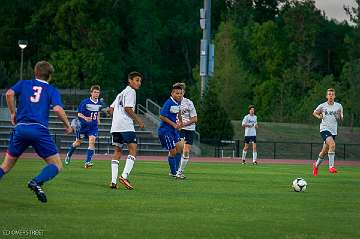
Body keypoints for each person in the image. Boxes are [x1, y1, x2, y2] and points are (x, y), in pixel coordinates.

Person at [0, 61, 73, 203]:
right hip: (39, 130)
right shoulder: (51, 90)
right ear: (50, 76)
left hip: (20, 129)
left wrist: (13, 113)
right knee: (57, 165)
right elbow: (57, 109)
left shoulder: (24, 83)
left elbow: (9, 94)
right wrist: (67, 125)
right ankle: (36, 181)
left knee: (5, 166)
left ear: (35, 72)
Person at [108, 72, 144, 190]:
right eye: (137, 80)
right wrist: (138, 120)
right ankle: (124, 176)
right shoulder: (131, 92)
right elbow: (127, 108)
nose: (139, 83)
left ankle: (113, 181)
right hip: (126, 126)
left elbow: (110, 109)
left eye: (140, 81)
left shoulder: (121, 93)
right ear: (130, 80)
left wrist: (116, 117)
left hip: (116, 127)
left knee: (118, 151)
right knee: (133, 149)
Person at [64, 85, 102, 168]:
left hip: (93, 127)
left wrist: (98, 119)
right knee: (78, 143)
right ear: (91, 93)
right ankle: (68, 155)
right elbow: (79, 114)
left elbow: (98, 111)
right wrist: (85, 118)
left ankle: (87, 162)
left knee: (92, 141)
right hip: (83, 126)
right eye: (95, 92)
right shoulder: (85, 102)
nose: (96, 94)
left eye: (98, 92)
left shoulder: (100, 103)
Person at [312, 88, 343, 176]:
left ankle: (316, 165)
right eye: (329, 94)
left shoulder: (339, 106)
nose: (331, 96)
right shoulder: (322, 106)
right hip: (324, 129)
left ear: (334, 96)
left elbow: (341, 118)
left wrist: (339, 116)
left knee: (324, 152)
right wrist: (319, 116)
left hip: (333, 131)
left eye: (332, 94)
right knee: (332, 144)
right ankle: (331, 167)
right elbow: (314, 113)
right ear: (326, 96)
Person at [158, 84, 183, 178]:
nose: (179, 95)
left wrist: (180, 122)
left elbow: (179, 112)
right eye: (177, 93)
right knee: (173, 152)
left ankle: (176, 171)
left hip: (173, 130)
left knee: (180, 148)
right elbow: (161, 116)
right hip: (165, 131)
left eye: (180, 93)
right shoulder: (168, 103)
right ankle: (174, 172)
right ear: (172, 93)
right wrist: (173, 124)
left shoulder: (178, 103)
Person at [173, 83, 197, 179]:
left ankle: (179, 172)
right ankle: (174, 170)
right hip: (179, 129)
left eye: (181, 91)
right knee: (176, 150)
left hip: (189, 129)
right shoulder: (172, 103)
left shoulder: (189, 103)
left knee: (186, 151)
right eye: (177, 92)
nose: (180, 94)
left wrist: (184, 124)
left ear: (184, 92)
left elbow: (195, 119)